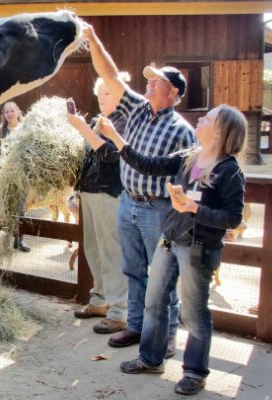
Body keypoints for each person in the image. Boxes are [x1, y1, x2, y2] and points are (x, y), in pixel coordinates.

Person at [100, 104, 246, 396]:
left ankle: (194, 372)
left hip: (198, 248)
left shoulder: (229, 171)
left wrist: (194, 208)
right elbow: (149, 164)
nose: (200, 119)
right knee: (154, 302)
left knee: (193, 314)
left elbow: (233, 217)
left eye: (207, 118)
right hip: (169, 240)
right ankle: (150, 359)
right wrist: (117, 138)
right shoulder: (189, 157)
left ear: (219, 131)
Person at [83, 24, 195, 353]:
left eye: (157, 81)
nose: (150, 82)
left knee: (161, 275)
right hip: (127, 203)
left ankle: (168, 336)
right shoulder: (136, 109)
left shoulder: (181, 130)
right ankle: (135, 326)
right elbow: (111, 73)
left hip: (158, 209)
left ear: (173, 92)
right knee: (133, 270)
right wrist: (92, 39)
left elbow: (187, 178)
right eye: (149, 79)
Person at [67, 73, 130, 334]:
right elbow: (86, 157)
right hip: (90, 192)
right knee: (93, 248)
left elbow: (111, 155)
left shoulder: (126, 122)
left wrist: (82, 129)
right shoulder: (96, 121)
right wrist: (75, 191)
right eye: (101, 94)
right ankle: (100, 300)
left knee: (112, 251)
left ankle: (120, 311)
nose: (103, 99)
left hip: (111, 192)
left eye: (109, 93)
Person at [0, 102, 30, 252]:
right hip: (3, 175)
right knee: (0, 204)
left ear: (18, 112)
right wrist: (3, 158)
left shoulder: (27, 130)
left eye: (12, 111)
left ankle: (19, 240)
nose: (10, 114)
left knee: (20, 208)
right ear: (4, 115)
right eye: (7, 112)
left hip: (21, 176)